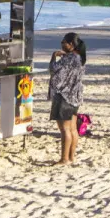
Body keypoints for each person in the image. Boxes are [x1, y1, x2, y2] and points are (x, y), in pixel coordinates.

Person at [48, 31, 85, 165]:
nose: (62, 44)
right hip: (75, 96)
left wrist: (54, 56)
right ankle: (71, 157)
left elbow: (53, 69)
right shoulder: (80, 58)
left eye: (63, 42)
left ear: (71, 44)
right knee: (73, 129)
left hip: (64, 96)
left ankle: (64, 159)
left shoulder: (68, 59)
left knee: (65, 129)